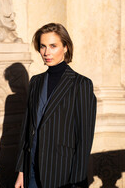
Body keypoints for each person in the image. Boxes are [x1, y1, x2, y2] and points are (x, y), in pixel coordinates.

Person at [15, 23, 97, 188]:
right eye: (43, 46)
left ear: (65, 47)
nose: (46, 52)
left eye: (53, 46)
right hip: (31, 168)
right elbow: (26, 129)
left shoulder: (81, 84)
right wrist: (21, 171)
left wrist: (76, 181)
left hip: (62, 172)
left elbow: (84, 138)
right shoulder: (35, 82)